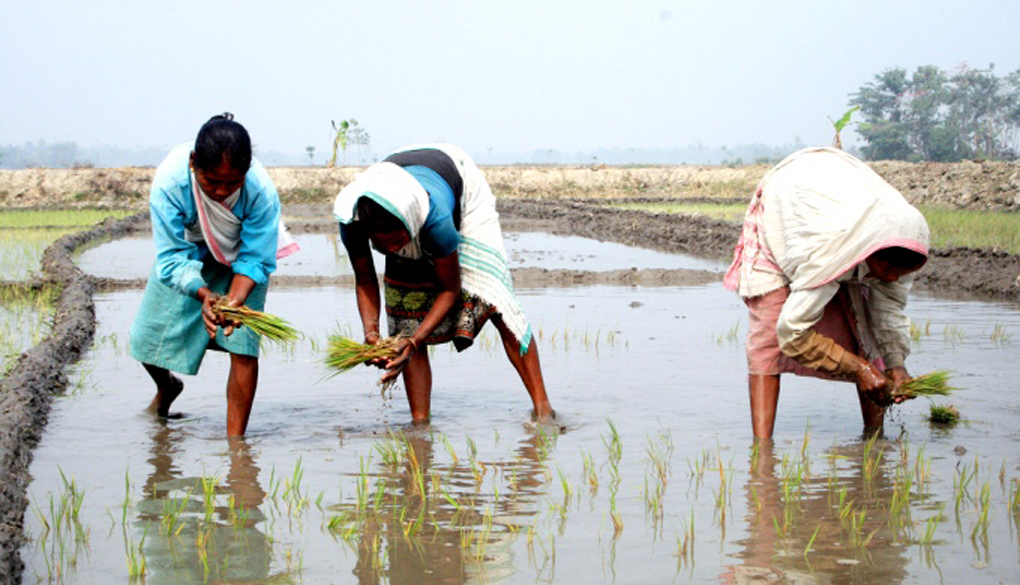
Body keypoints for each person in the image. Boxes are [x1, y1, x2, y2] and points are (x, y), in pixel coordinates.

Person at [333, 143, 554, 423]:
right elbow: (365, 279)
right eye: (382, 245)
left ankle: (543, 409)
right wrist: (372, 334)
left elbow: (450, 288)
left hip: (461, 186)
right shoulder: (353, 221)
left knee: (497, 301)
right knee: (404, 317)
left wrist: (415, 341)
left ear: (410, 227)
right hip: (399, 181)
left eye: (399, 242)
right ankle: (420, 424)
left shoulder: (435, 218)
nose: (391, 250)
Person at [723, 147, 930, 439]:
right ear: (870, 250)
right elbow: (791, 333)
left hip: (836, 200)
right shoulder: (826, 249)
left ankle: (874, 441)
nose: (892, 277)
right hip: (788, 204)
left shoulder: (901, 240)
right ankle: (762, 454)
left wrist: (897, 365)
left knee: (867, 333)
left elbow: (888, 312)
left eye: (901, 272)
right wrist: (858, 368)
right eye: (886, 268)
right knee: (769, 333)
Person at [130, 113, 297, 436]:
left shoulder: (260, 191)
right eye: (212, 182)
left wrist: (231, 302)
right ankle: (167, 387)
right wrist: (204, 294)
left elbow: (255, 258)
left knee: (243, 347)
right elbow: (171, 257)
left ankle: (236, 444)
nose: (222, 191)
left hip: (241, 257)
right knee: (147, 338)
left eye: (233, 183)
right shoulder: (170, 183)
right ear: (194, 163)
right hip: (188, 252)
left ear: (246, 172)